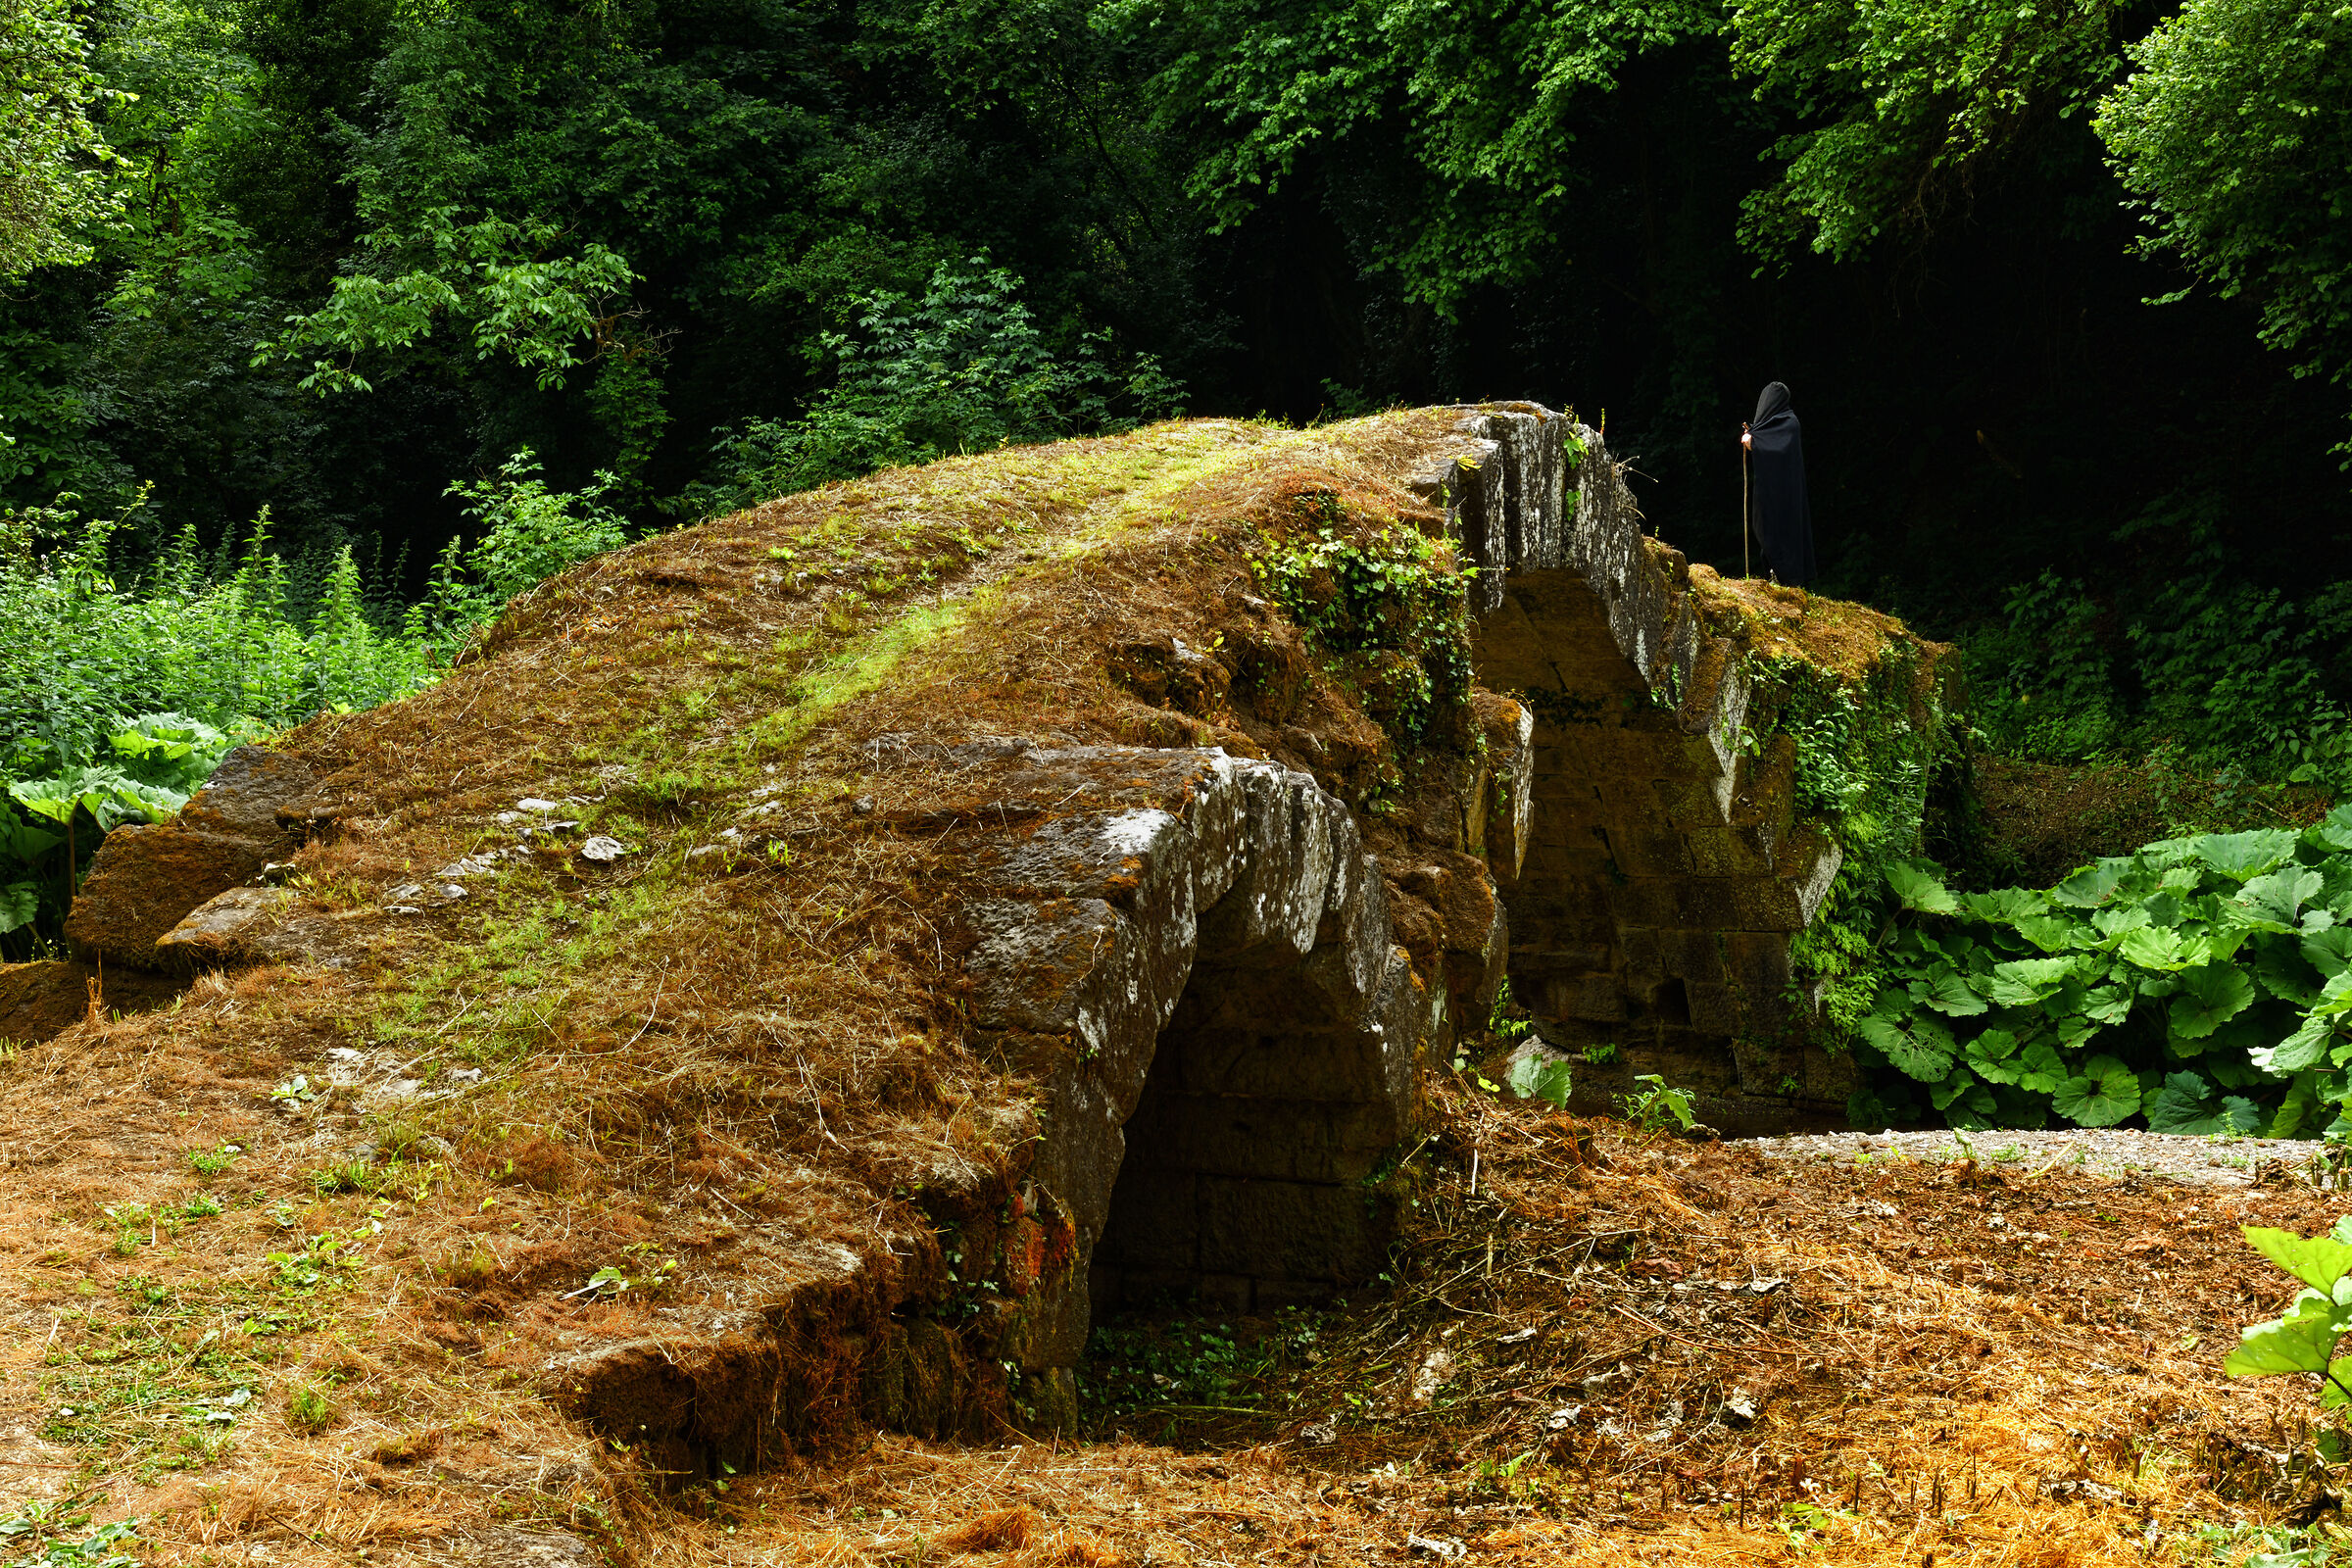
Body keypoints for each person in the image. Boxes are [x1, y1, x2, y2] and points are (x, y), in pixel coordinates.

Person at [1740, 381, 1816, 587]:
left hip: (1786, 492)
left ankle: (1790, 579)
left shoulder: (1790, 422)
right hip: (1768, 492)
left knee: (1785, 530)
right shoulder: (1771, 425)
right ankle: (1774, 574)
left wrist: (1754, 442)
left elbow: (1778, 448)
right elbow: (1766, 438)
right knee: (1765, 528)